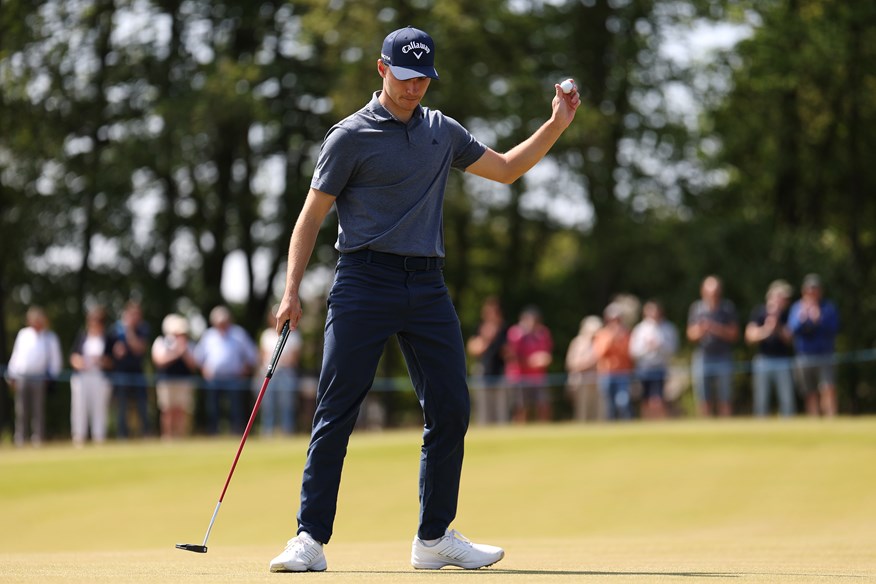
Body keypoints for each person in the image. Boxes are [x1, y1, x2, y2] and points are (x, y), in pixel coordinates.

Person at [269, 25, 579, 573]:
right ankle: (308, 539)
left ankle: (433, 538)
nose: (415, 90)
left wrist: (555, 123)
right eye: (406, 78)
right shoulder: (349, 136)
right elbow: (311, 217)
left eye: (424, 79)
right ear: (382, 69)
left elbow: (505, 170)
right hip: (363, 281)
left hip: (427, 285)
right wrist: (292, 290)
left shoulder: (443, 130)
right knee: (336, 409)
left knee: (451, 408)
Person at [193, 305, 259, 435]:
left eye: (224, 322)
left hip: (234, 378)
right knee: (213, 409)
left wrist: (244, 369)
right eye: (219, 323)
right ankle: (214, 433)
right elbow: (198, 357)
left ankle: (236, 433)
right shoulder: (209, 336)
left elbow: (252, 355)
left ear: (229, 320)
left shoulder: (239, 334)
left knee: (236, 409)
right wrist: (204, 369)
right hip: (213, 379)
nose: (222, 325)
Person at [6, 307, 63, 447]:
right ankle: (20, 438)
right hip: (22, 377)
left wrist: (51, 376)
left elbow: (56, 360)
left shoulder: (49, 337)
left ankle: (38, 438)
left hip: (39, 378)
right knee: (21, 410)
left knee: (38, 410)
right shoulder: (23, 334)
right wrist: (11, 374)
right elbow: (16, 356)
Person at [686, 275, 739, 417]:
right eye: (709, 292)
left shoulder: (727, 308)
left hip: (723, 356)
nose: (712, 295)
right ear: (703, 291)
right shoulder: (696, 308)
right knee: (703, 397)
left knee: (725, 397)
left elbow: (734, 334)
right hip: (703, 356)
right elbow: (690, 334)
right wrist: (701, 330)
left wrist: (715, 328)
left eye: (715, 292)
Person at [788, 274, 839, 417]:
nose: (812, 293)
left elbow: (834, 328)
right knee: (809, 392)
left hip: (825, 354)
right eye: (809, 290)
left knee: (827, 388)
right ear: (804, 291)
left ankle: (831, 418)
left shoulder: (828, 308)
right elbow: (793, 329)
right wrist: (803, 319)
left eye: (815, 290)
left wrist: (818, 319)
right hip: (804, 356)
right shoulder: (797, 308)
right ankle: (814, 419)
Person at [745, 280, 796, 418]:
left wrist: (777, 326)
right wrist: (766, 330)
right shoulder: (759, 312)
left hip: (783, 361)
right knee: (761, 400)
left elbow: (790, 339)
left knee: (787, 400)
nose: (785, 301)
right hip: (763, 361)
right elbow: (749, 336)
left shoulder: (787, 314)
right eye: (782, 297)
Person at [69, 306, 114, 446]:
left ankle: (99, 437)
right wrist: (80, 363)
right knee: (79, 408)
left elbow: (112, 361)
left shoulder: (107, 339)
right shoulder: (82, 336)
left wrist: (100, 361)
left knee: (100, 408)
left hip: (100, 378)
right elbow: (73, 356)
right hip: (82, 378)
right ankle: (79, 437)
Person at [504, 306, 554, 423]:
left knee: (544, 405)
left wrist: (545, 359)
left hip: (538, 377)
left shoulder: (543, 333)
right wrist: (532, 362)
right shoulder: (516, 333)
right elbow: (511, 356)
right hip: (519, 377)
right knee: (521, 408)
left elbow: (547, 353)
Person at [151, 314, 198, 440]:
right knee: (167, 410)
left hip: (184, 381)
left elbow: (194, 365)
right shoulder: (162, 342)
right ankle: (168, 437)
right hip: (166, 381)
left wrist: (184, 352)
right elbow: (159, 360)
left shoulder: (189, 345)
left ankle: (181, 437)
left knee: (181, 410)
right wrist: (176, 353)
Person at [629, 300, 678, 419]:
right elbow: (633, 351)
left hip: (660, 367)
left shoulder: (668, 328)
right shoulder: (640, 329)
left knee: (658, 399)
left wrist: (659, 346)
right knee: (645, 400)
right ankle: (648, 423)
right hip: (644, 368)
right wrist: (647, 347)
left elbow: (673, 348)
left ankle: (660, 422)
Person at [110, 301, 152, 438]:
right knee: (122, 406)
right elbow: (110, 352)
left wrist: (129, 331)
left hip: (137, 373)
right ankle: (123, 435)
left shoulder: (142, 329)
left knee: (142, 405)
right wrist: (116, 350)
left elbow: (138, 349)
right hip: (121, 373)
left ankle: (145, 433)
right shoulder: (115, 329)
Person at [259, 308, 303, 436]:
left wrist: (283, 361)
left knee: (287, 403)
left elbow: (294, 357)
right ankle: (268, 431)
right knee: (268, 404)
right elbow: (262, 355)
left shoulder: (293, 333)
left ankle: (287, 430)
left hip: (286, 373)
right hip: (268, 372)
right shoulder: (266, 334)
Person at [466, 297, 509, 425]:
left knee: (502, 410)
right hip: (483, 372)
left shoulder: (505, 329)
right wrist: (487, 338)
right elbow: (473, 348)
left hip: (501, 373)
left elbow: (509, 352)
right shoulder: (480, 328)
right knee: (483, 410)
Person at [592, 303, 634, 420]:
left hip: (623, 372)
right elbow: (600, 353)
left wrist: (621, 340)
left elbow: (630, 353)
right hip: (606, 373)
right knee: (608, 404)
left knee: (623, 401)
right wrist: (611, 339)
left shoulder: (626, 334)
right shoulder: (602, 334)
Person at [565, 315, 603, 422]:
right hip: (581, 382)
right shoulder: (577, 343)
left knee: (598, 412)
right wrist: (589, 364)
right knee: (582, 411)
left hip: (597, 382)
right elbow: (571, 363)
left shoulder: (600, 342)